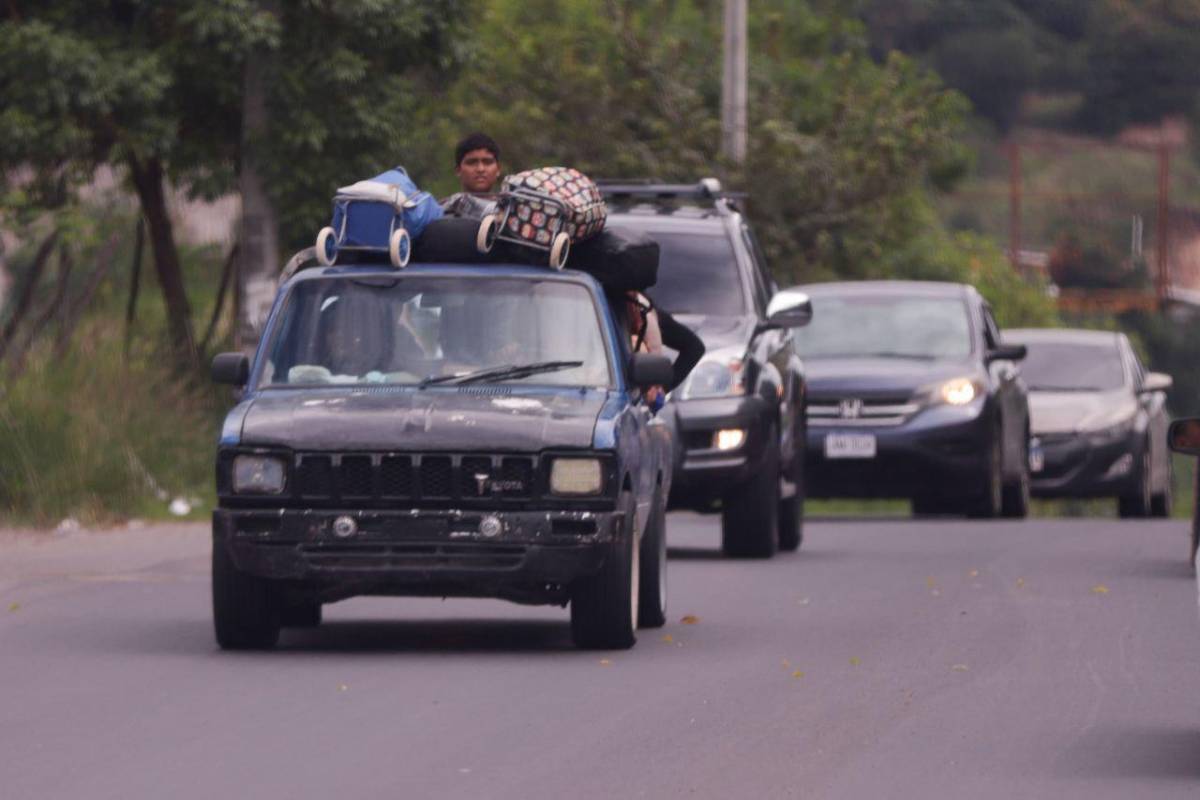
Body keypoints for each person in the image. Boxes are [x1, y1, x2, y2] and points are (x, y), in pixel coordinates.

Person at [441, 132, 503, 216]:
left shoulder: (511, 211)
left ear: (498, 169)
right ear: (458, 170)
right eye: (471, 163)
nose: (480, 169)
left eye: (487, 162)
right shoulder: (443, 211)